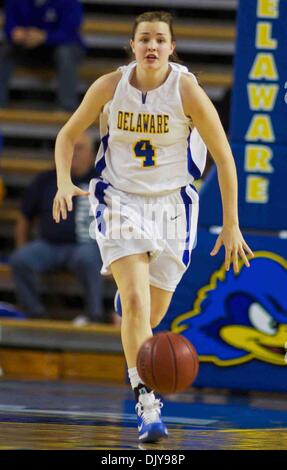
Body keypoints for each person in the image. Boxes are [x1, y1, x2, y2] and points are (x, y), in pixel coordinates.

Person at [52, 11, 254, 443]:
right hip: (119, 199)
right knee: (138, 304)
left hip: (173, 206)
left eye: (160, 39)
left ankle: (133, 312)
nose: (152, 46)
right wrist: (63, 181)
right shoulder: (111, 85)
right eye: (144, 38)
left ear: (171, 48)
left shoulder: (187, 91)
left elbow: (224, 158)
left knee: (150, 314)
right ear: (132, 45)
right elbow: (67, 135)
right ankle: (148, 405)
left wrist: (232, 223)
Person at [11, 132, 105, 324]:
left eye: (79, 148)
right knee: (20, 259)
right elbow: (24, 218)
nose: (74, 154)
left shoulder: (102, 181)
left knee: (88, 258)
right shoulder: (46, 179)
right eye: (70, 148)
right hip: (48, 245)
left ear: (92, 153)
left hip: (86, 247)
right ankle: (35, 315)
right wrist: (21, 245)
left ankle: (94, 315)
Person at [0, 0, 84, 111]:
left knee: (65, 53)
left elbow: (69, 33)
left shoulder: (69, 2)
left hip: (57, 49)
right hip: (25, 48)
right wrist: (15, 33)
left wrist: (45, 37)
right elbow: (9, 25)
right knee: (5, 51)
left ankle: (66, 106)